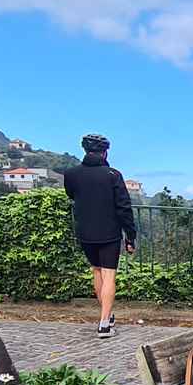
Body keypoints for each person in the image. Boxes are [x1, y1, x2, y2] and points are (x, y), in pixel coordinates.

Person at [63, 133, 137, 338]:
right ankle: (104, 324)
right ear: (104, 153)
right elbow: (124, 208)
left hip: (85, 231)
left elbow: (72, 195)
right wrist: (130, 236)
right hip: (109, 232)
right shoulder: (113, 175)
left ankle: (107, 315)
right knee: (109, 275)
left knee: (96, 272)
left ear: (85, 151)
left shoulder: (71, 174)